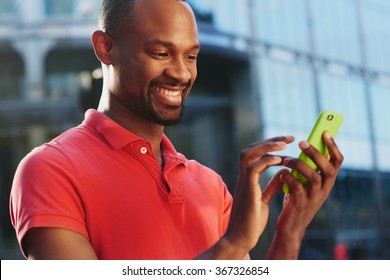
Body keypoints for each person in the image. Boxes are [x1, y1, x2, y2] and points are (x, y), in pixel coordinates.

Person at [9, 0, 344, 260]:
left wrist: (291, 228)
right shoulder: (50, 170)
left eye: (191, 56)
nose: (182, 74)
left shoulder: (210, 185)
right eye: (161, 53)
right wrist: (232, 245)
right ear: (105, 47)